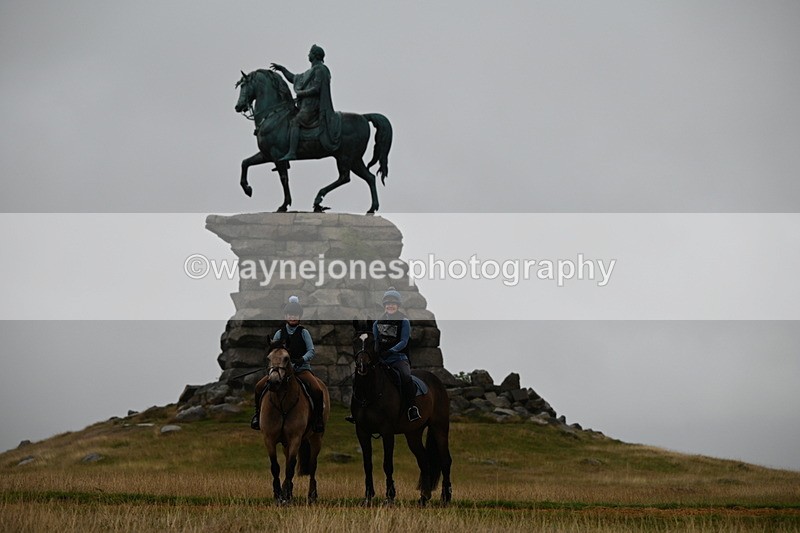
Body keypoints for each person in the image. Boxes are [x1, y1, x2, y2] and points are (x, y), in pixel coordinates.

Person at [251, 296, 326, 433]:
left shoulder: (304, 332)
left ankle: (318, 419)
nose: (293, 317)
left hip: (302, 370)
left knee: (317, 390)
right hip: (281, 371)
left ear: (299, 316)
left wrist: (302, 359)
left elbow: (311, 351)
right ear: (285, 316)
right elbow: (274, 351)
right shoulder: (279, 333)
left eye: (295, 315)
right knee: (259, 386)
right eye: (290, 314)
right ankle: (257, 415)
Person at [270, 44, 341, 161]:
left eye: (310, 53)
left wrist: (301, 93)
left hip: (313, 107)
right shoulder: (309, 72)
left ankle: (292, 152)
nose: (308, 54)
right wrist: (282, 69)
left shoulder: (321, 69)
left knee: (295, 122)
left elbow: (317, 88)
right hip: (305, 106)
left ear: (315, 55)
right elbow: (294, 78)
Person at [374, 287, 421, 422]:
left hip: (398, 358)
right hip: (381, 359)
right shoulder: (377, 323)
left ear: (398, 305)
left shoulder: (404, 321)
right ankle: (359, 409)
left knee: (406, 376)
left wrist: (391, 351)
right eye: (388, 303)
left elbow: (404, 341)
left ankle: (411, 408)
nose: (390, 306)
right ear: (384, 306)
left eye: (393, 303)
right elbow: (376, 341)